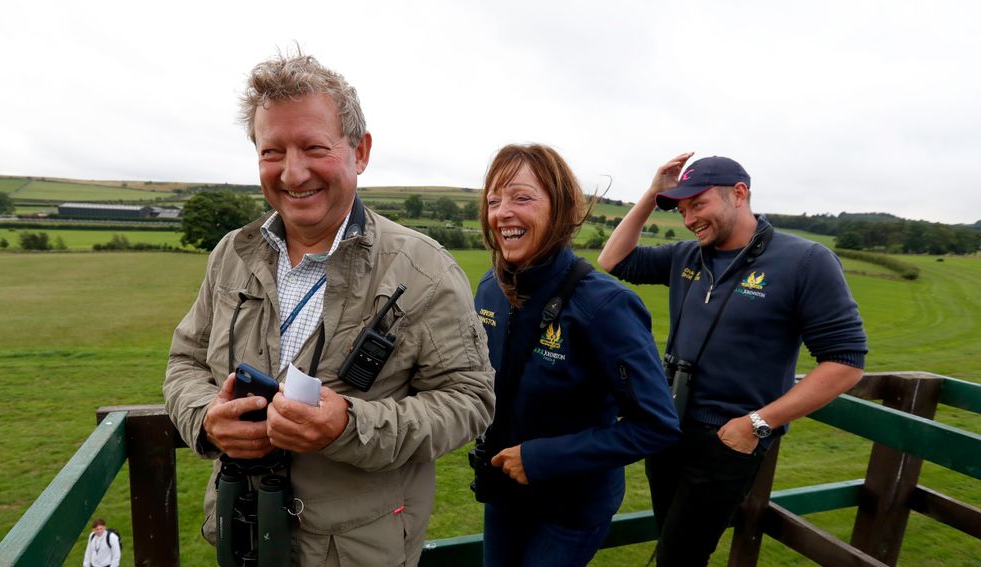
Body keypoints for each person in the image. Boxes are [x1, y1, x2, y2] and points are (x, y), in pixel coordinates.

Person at [163, 50, 495, 567]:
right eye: (272, 152)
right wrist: (206, 419)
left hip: (356, 551)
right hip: (243, 532)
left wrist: (349, 426)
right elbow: (184, 363)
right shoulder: (232, 253)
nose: (293, 173)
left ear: (359, 152)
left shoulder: (423, 269)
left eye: (314, 147)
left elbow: (470, 400)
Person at [598, 154, 868, 566]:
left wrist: (755, 425)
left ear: (739, 194)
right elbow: (612, 261)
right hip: (669, 426)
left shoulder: (805, 261)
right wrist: (653, 194)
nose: (689, 219)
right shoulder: (688, 255)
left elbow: (845, 362)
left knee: (679, 556)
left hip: (728, 440)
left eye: (698, 204)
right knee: (670, 541)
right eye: (683, 209)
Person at [471, 144, 681, 567]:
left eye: (521, 197)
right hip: (503, 492)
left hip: (570, 509)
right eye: (494, 201)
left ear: (562, 208)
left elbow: (657, 425)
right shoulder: (489, 290)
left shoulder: (605, 306)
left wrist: (541, 458)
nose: (502, 212)